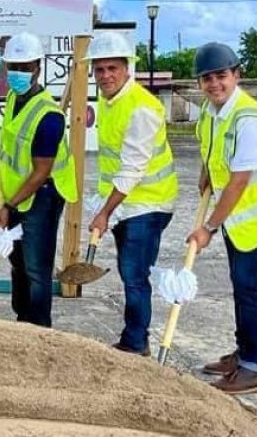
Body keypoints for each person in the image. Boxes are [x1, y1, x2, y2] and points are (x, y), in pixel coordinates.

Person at [189, 43, 257, 394]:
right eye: (206, 78)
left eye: (221, 75)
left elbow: (239, 182)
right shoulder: (210, 111)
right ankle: (243, 352)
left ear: (237, 75)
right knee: (240, 283)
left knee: (249, 286)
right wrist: (206, 171)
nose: (214, 83)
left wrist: (208, 227)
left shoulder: (249, 118)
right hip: (240, 214)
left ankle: (254, 367)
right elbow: (212, 146)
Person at [86, 32, 178, 357]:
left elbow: (131, 170)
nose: (106, 76)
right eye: (100, 70)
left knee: (134, 273)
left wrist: (104, 212)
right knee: (130, 272)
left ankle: (136, 342)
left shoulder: (142, 109)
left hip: (149, 202)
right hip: (128, 202)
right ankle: (134, 337)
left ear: (128, 69)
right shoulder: (108, 100)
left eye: (113, 68)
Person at [0, 33, 78, 327]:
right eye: (12, 66)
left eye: (24, 67)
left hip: (43, 194)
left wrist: (8, 205)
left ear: (38, 69)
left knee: (36, 268)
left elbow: (41, 170)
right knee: (17, 263)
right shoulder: (15, 98)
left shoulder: (49, 116)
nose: (17, 73)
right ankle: (23, 320)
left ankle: (40, 329)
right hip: (17, 193)